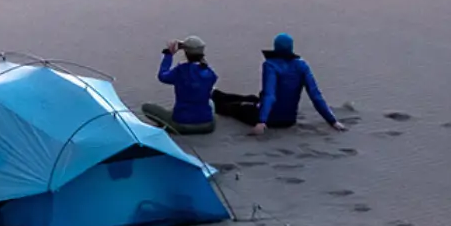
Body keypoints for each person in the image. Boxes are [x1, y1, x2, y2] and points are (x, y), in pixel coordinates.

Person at [211, 33, 347, 134]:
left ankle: (212, 97)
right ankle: (215, 93)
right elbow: (315, 95)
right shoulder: (302, 66)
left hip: (269, 118)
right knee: (252, 98)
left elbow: (270, 95)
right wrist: (333, 121)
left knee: (231, 107)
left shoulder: (270, 65)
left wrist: (262, 121)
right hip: (289, 119)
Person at [140, 36, 217, 135]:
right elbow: (202, 72)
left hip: (182, 124)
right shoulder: (210, 73)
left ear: (186, 53)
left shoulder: (181, 71)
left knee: (147, 108)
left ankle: (171, 124)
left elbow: (162, 76)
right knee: (209, 102)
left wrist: (169, 54)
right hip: (208, 125)